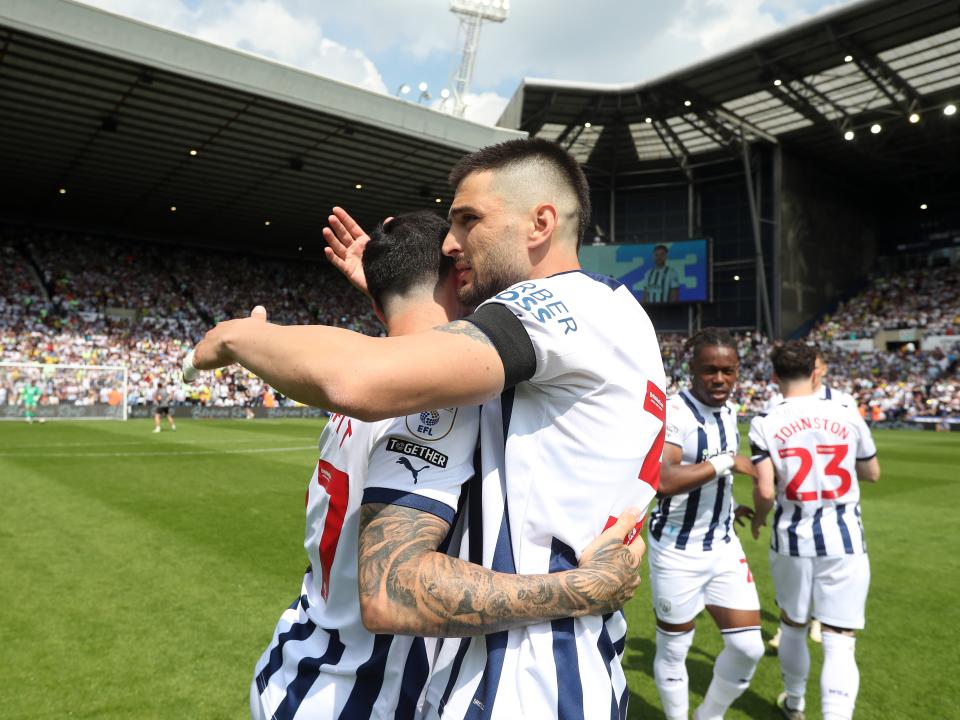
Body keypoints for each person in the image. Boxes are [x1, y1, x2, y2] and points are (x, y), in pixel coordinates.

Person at [191, 137, 666, 719]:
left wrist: (243, 336)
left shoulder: (560, 312)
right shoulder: (614, 316)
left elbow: (360, 380)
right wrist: (403, 288)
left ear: (540, 223)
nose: (450, 242)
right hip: (569, 671)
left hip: (520, 689)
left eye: (468, 220)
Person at [749, 340, 880, 720]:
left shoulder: (765, 421)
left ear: (774, 378)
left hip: (792, 538)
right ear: (814, 372)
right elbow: (872, 473)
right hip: (845, 540)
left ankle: (794, 703)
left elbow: (765, 490)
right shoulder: (847, 414)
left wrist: (759, 518)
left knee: (792, 625)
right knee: (840, 640)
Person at [647, 329, 767, 720]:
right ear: (692, 370)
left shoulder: (730, 412)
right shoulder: (675, 412)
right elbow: (664, 480)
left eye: (728, 371)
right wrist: (729, 462)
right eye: (709, 370)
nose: (720, 379)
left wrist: (728, 508)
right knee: (675, 649)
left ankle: (709, 715)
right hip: (676, 552)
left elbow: (710, 477)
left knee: (750, 647)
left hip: (723, 545)